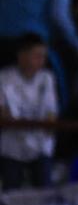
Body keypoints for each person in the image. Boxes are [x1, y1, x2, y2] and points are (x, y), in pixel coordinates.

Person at [0, 33, 58, 190]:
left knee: (45, 192)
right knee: (11, 195)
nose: (41, 60)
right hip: (12, 146)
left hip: (40, 145)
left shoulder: (47, 78)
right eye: (36, 55)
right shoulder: (4, 77)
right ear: (22, 55)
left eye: (43, 56)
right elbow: (3, 112)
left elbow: (50, 113)